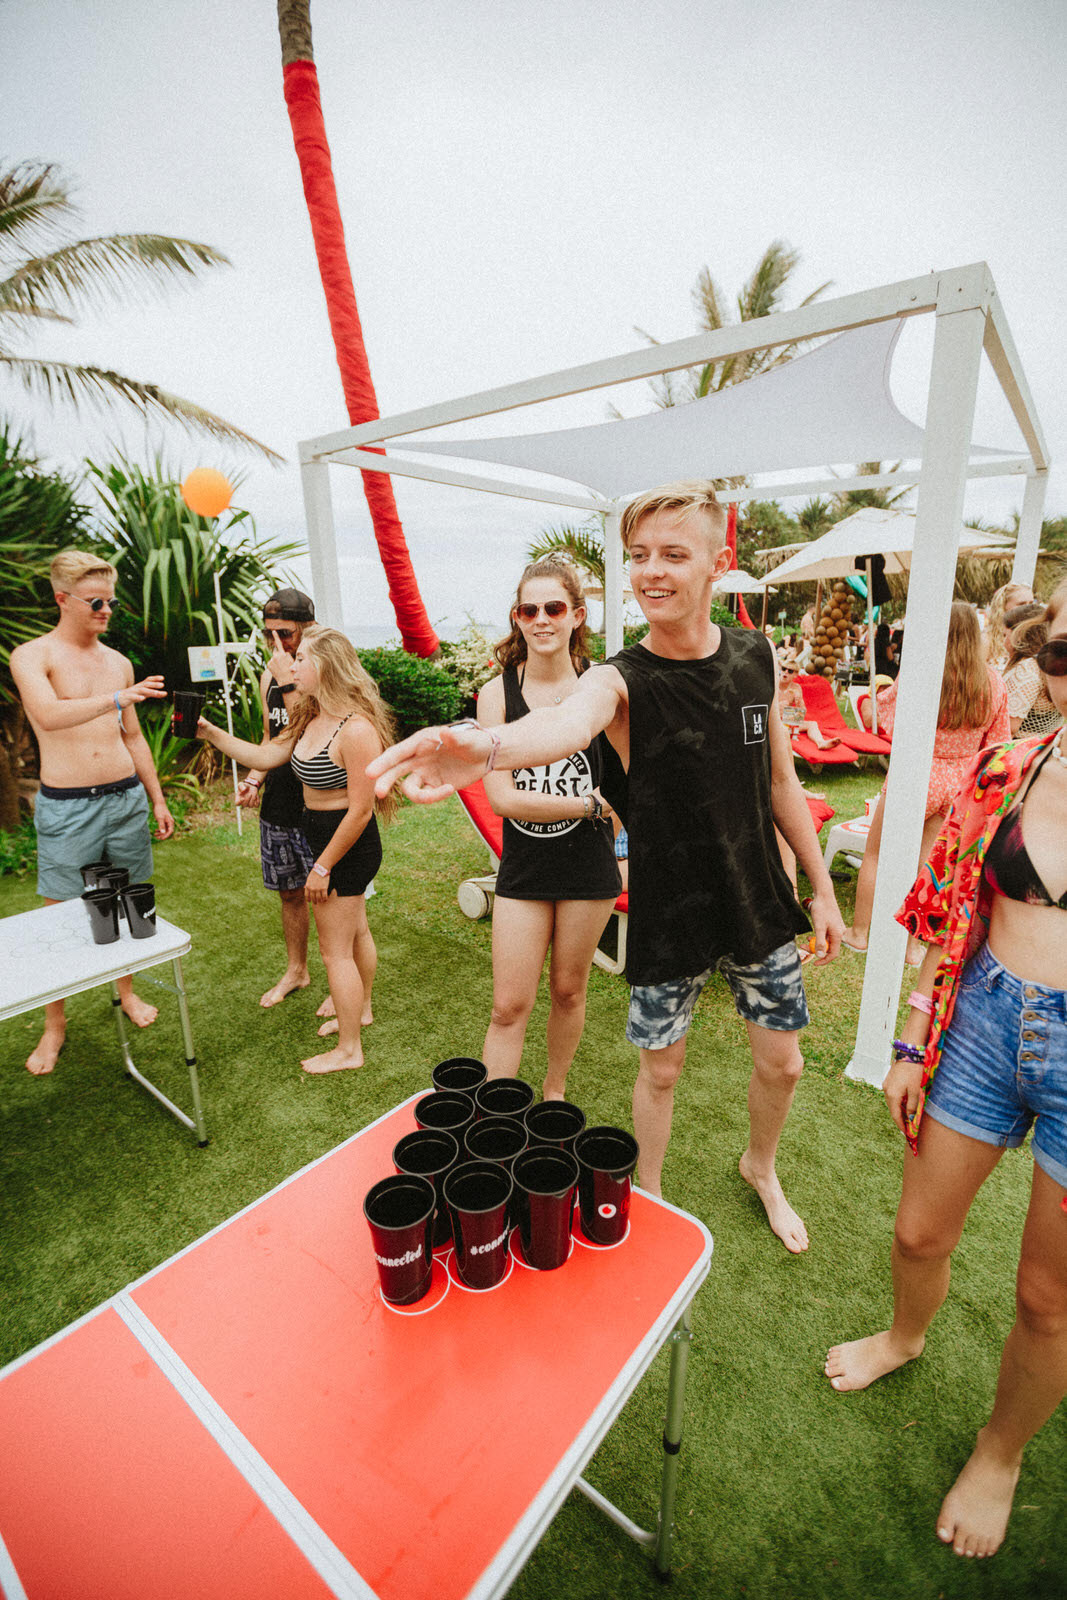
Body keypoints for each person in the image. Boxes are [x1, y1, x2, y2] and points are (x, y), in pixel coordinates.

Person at [369, 480, 845, 1253]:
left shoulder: (756, 655)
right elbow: (562, 724)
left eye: (672, 554)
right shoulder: (617, 679)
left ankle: (760, 1167)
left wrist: (820, 887)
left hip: (758, 898)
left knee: (783, 1065)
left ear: (717, 561)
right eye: (638, 555)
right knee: (660, 1072)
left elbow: (780, 782)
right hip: (667, 909)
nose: (651, 571)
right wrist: (484, 748)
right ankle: (649, 1194)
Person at [825, 578, 1067, 1561]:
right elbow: (950, 913)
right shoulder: (1009, 767)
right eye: (1063, 652)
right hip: (979, 1022)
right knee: (917, 1231)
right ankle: (904, 1336)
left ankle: (999, 1454)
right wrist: (908, 1040)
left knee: (1046, 1298)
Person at [198, 626, 395, 1074]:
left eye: (301, 657)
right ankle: (361, 1011)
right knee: (354, 934)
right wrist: (209, 732)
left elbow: (362, 811)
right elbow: (265, 757)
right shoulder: (310, 716)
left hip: (346, 844)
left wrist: (322, 867)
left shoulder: (356, 730)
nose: (292, 664)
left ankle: (349, 1050)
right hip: (320, 836)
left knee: (334, 951)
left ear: (326, 665)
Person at [10, 550, 175, 1075]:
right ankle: (54, 1024)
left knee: (129, 903)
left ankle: (126, 992)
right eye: (95, 602)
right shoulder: (33, 655)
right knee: (58, 915)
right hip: (68, 807)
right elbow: (48, 715)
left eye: (111, 602)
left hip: (125, 799)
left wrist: (157, 797)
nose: (106, 611)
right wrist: (117, 697)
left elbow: (134, 737)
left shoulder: (118, 662)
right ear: (63, 599)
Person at [477, 558, 621, 1100]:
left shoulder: (602, 687)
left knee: (568, 992)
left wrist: (611, 815)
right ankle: (497, 1116)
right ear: (517, 618)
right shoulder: (497, 695)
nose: (541, 619)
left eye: (554, 608)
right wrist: (588, 806)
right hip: (525, 867)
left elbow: (630, 777)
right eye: (528, 610)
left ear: (577, 615)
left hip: (589, 868)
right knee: (507, 1005)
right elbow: (502, 799)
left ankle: (554, 1093)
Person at [844, 603, 1010, 960]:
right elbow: (998, 744)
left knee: (875, 854)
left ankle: (859, 933)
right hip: (959, 780)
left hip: (916, 771)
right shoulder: (994, 682)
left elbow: (887, 721)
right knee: (929, 865)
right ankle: (912, 946)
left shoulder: (922, 672)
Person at [235, 587, 334, 1014]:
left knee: (331, 898)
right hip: (279, 803)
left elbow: (314, 729)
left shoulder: (326, 672)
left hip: (321, 803)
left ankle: (342, 978)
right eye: (268, 633)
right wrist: (254, 779)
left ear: (309, 628)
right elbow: (273, 736)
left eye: (286, 634)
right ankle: (297, 970)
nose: (277, 643)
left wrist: (288, 678)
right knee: (290, 894)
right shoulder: (268, 676)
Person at [1002, 608, 1063, 740]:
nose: (1003, 641)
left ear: (1019, 635)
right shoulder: (1048, 662)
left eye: (1005, 635)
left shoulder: (1027, 669)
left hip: (1019, 745)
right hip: (1045, 743)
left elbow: (1009, 726)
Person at [778, 662, 841, 750]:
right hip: (772, 719)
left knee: (812, 724)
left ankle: (821, 742)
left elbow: (801, 713)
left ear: (795, 675)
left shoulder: (796, 688)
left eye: (790, 671)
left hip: (785, 719)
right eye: (784, 669)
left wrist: (798, 700)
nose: (786, 672)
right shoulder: (773, 684)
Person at [984, 581, 1034, 671]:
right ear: (1003, 606)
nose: (1028, 609)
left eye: (1031, 603)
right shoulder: (987, 641)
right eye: (1021, 604)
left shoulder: (1034, 641)